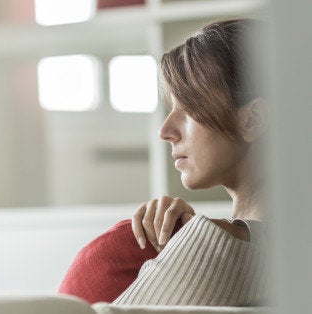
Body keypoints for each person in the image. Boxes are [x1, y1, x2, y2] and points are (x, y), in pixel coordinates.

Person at [59, 18, 268, 306]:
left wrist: (198, 237)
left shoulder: (217, 248)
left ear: (254, 118)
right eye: (172, 109)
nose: (165, 131)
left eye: (190, 107)